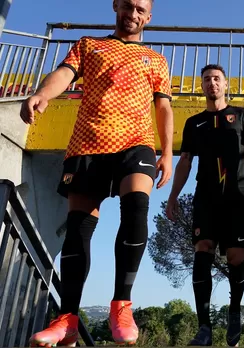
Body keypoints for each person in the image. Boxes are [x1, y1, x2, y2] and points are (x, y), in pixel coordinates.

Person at [21, 0, 173, 346]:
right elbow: (64, 73)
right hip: (89, 142)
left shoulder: (157, 60)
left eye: (139, 9)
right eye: (127, 6)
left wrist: (166, 151)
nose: (131, 14)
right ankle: (68, 319)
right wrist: (42, 94)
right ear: (115, 6)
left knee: (136, 205)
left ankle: (122, 304)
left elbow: (162, 105)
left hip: (136, 142)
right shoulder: (89, 44)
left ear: (148, 16)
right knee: (78, 228)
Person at [166, 64, 244, 347]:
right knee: (203, 250)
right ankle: (204, 328)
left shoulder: (243, 116)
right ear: (202, 86)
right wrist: (173, 197)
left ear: (225, 84)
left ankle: (235, 311)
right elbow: (185, 161)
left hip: (236, 196)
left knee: (236, 257)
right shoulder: (193, 122)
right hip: (206, 197)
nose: (212, 83)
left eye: (217, 79)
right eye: (207, 79)